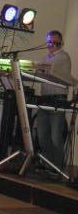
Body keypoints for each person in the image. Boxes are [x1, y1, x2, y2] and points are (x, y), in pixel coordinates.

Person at [36, 30, 73, 168]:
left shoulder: (63, 56)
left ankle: (57, 167)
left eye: (54, 42)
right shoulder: (46, 57)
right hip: (45, 99)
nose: (51, 44)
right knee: (42, 136)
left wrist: (35, 66)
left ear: (60, 43)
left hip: (58, 100)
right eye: (49, 42)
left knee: (56, 137)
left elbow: (47, 67)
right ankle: (47, 165)